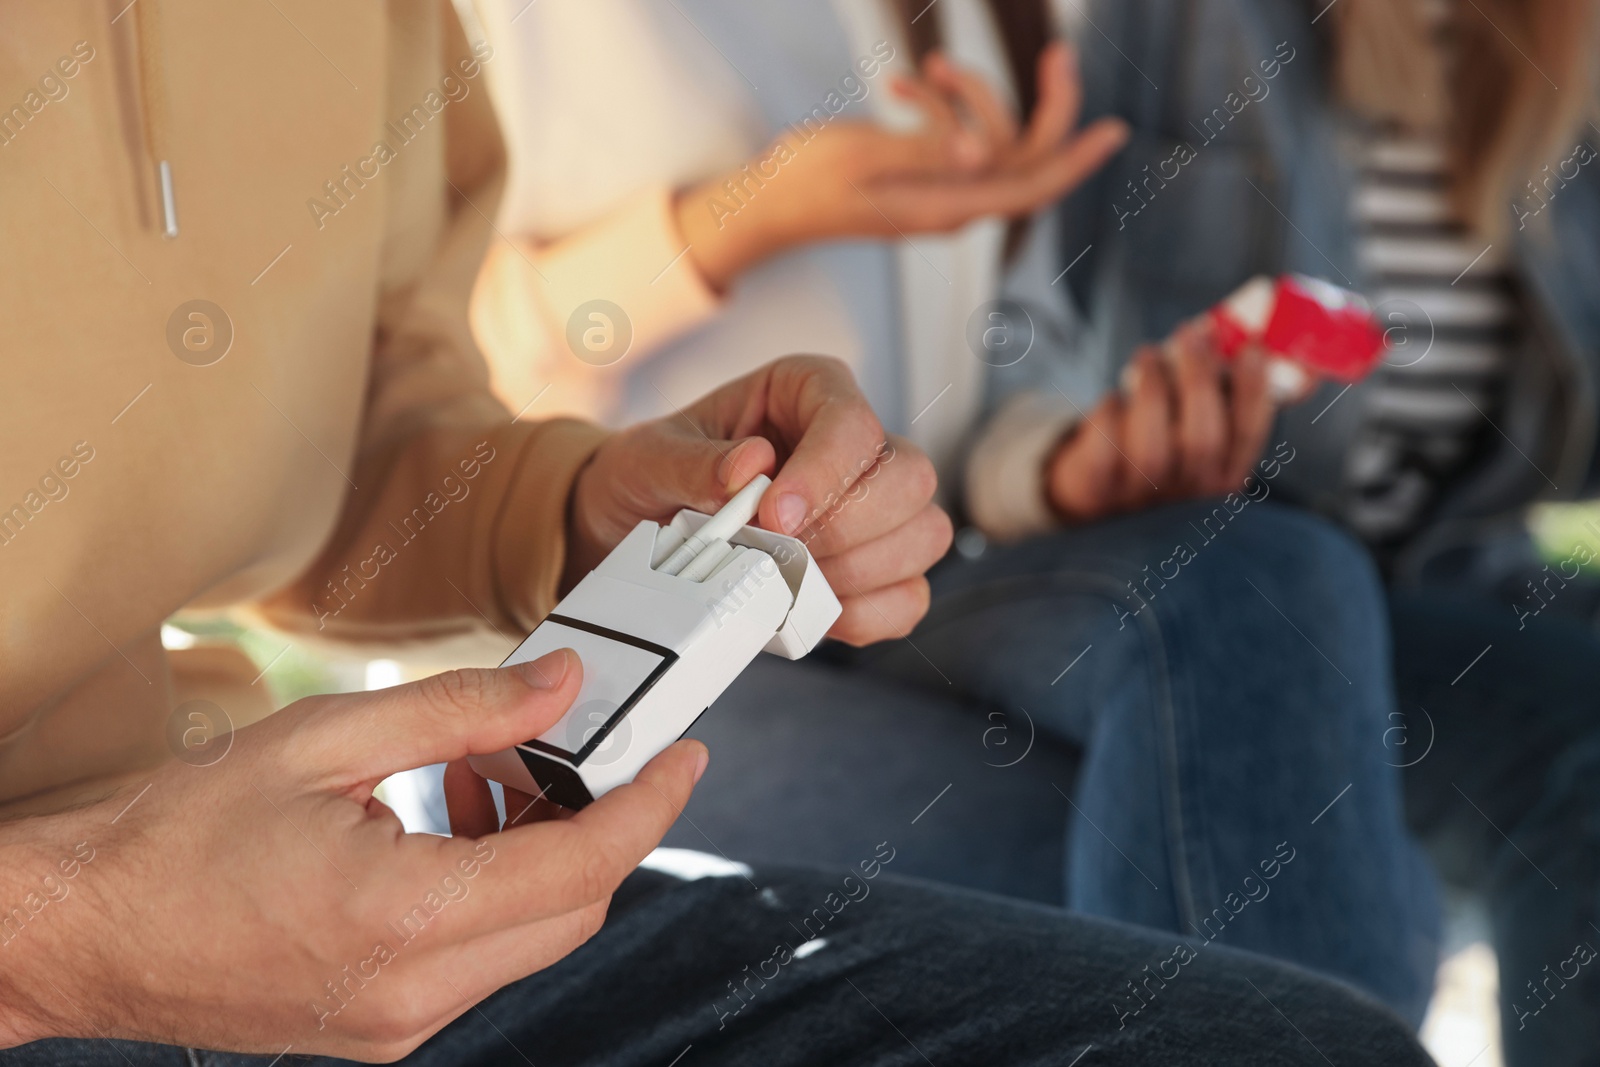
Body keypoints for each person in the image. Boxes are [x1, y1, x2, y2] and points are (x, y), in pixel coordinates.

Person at [0, 2, 1437, 1064]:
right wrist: (59, 935)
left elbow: (374, 421)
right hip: (75, 936)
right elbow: (525, 320)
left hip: (754, 618)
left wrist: (583, 499)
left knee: (1297, 1026)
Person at [471, 0, 1441, 1025]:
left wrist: (1072, 468)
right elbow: (437, 371)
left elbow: (1010, 350)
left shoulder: (976, 20)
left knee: (1269, 579)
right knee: (1243, 854)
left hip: (909, 585)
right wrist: (750, 216)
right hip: (632, 646)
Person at [1017, 0, 1600, 1062]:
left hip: (1445, 574)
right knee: (1577, 737)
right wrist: (1087, 436)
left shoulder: (1551, 59)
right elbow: (1027, 313)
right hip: (1188, 552)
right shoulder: (1186, 23)